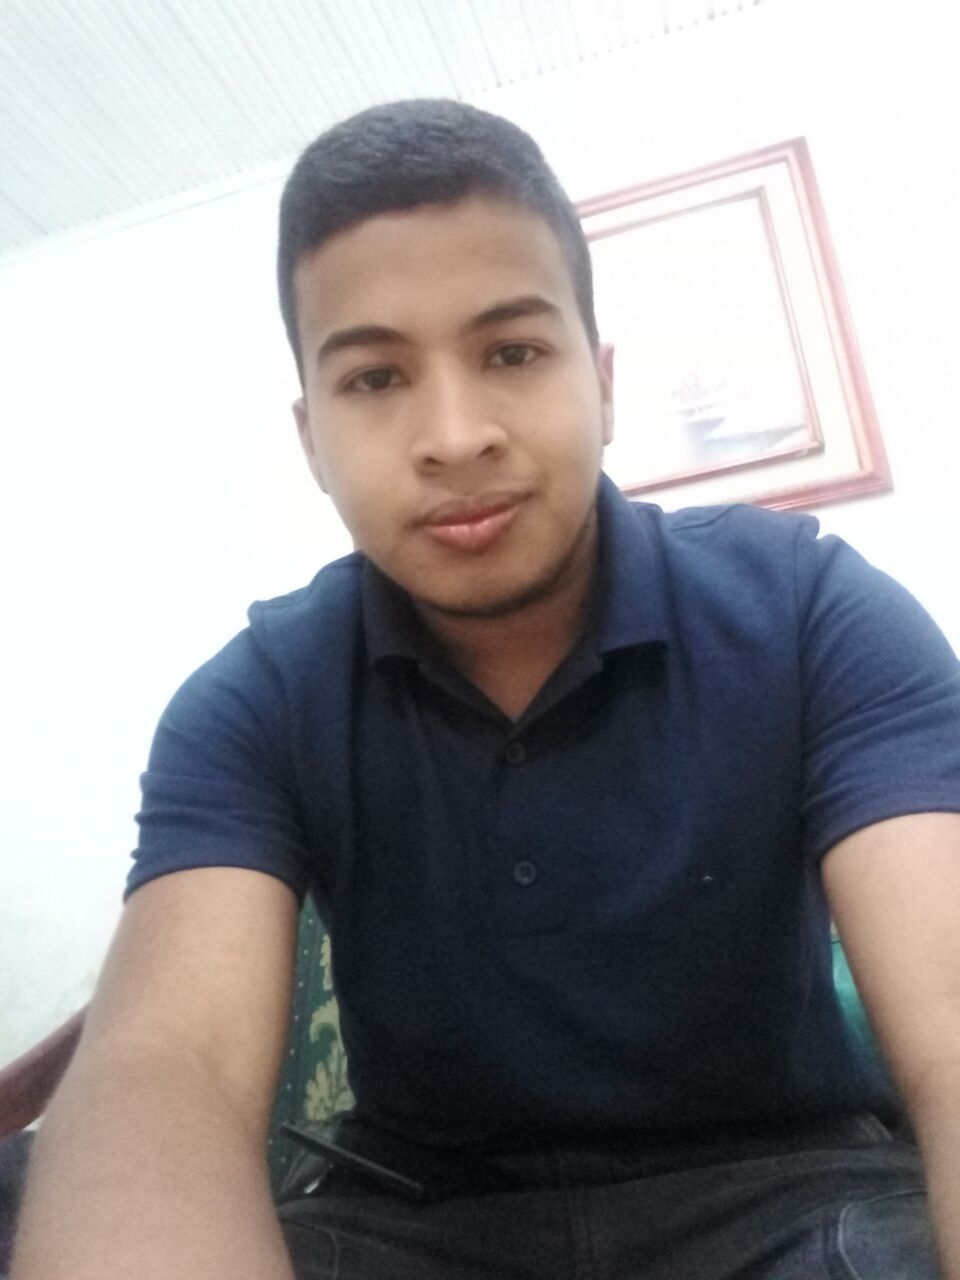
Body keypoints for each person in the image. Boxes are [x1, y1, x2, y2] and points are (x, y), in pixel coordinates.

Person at [11, 99, 960, 1280]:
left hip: (787, 1194)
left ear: (601, 383)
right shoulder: (255, 697)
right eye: (375, 377)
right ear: (311, 438)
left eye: (512, 352)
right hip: (416, 1220)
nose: (455, 437)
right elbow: (169, 1065)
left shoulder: (814, 611)